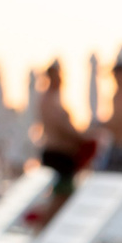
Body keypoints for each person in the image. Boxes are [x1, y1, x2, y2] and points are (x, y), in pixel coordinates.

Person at [30, 61, 84, 217]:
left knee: (63, 197)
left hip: (60, 155)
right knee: (61, 197)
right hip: (58, 155)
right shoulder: (49, 100)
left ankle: (44, 226)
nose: (60, 79)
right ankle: (43, 227)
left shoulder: (52, 99)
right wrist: (82, 137)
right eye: (57, 76)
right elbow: (62, 127)